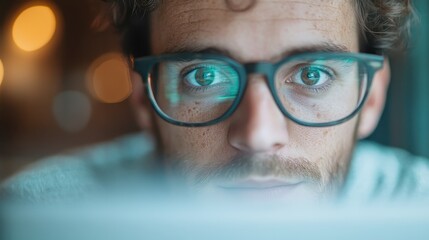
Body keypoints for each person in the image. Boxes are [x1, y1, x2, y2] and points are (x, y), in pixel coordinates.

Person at [1, 0, 428, 204]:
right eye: (204, 76)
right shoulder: (33, 215)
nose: (259, 135)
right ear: (142, 98)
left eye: (311, 75)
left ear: (370, 97)